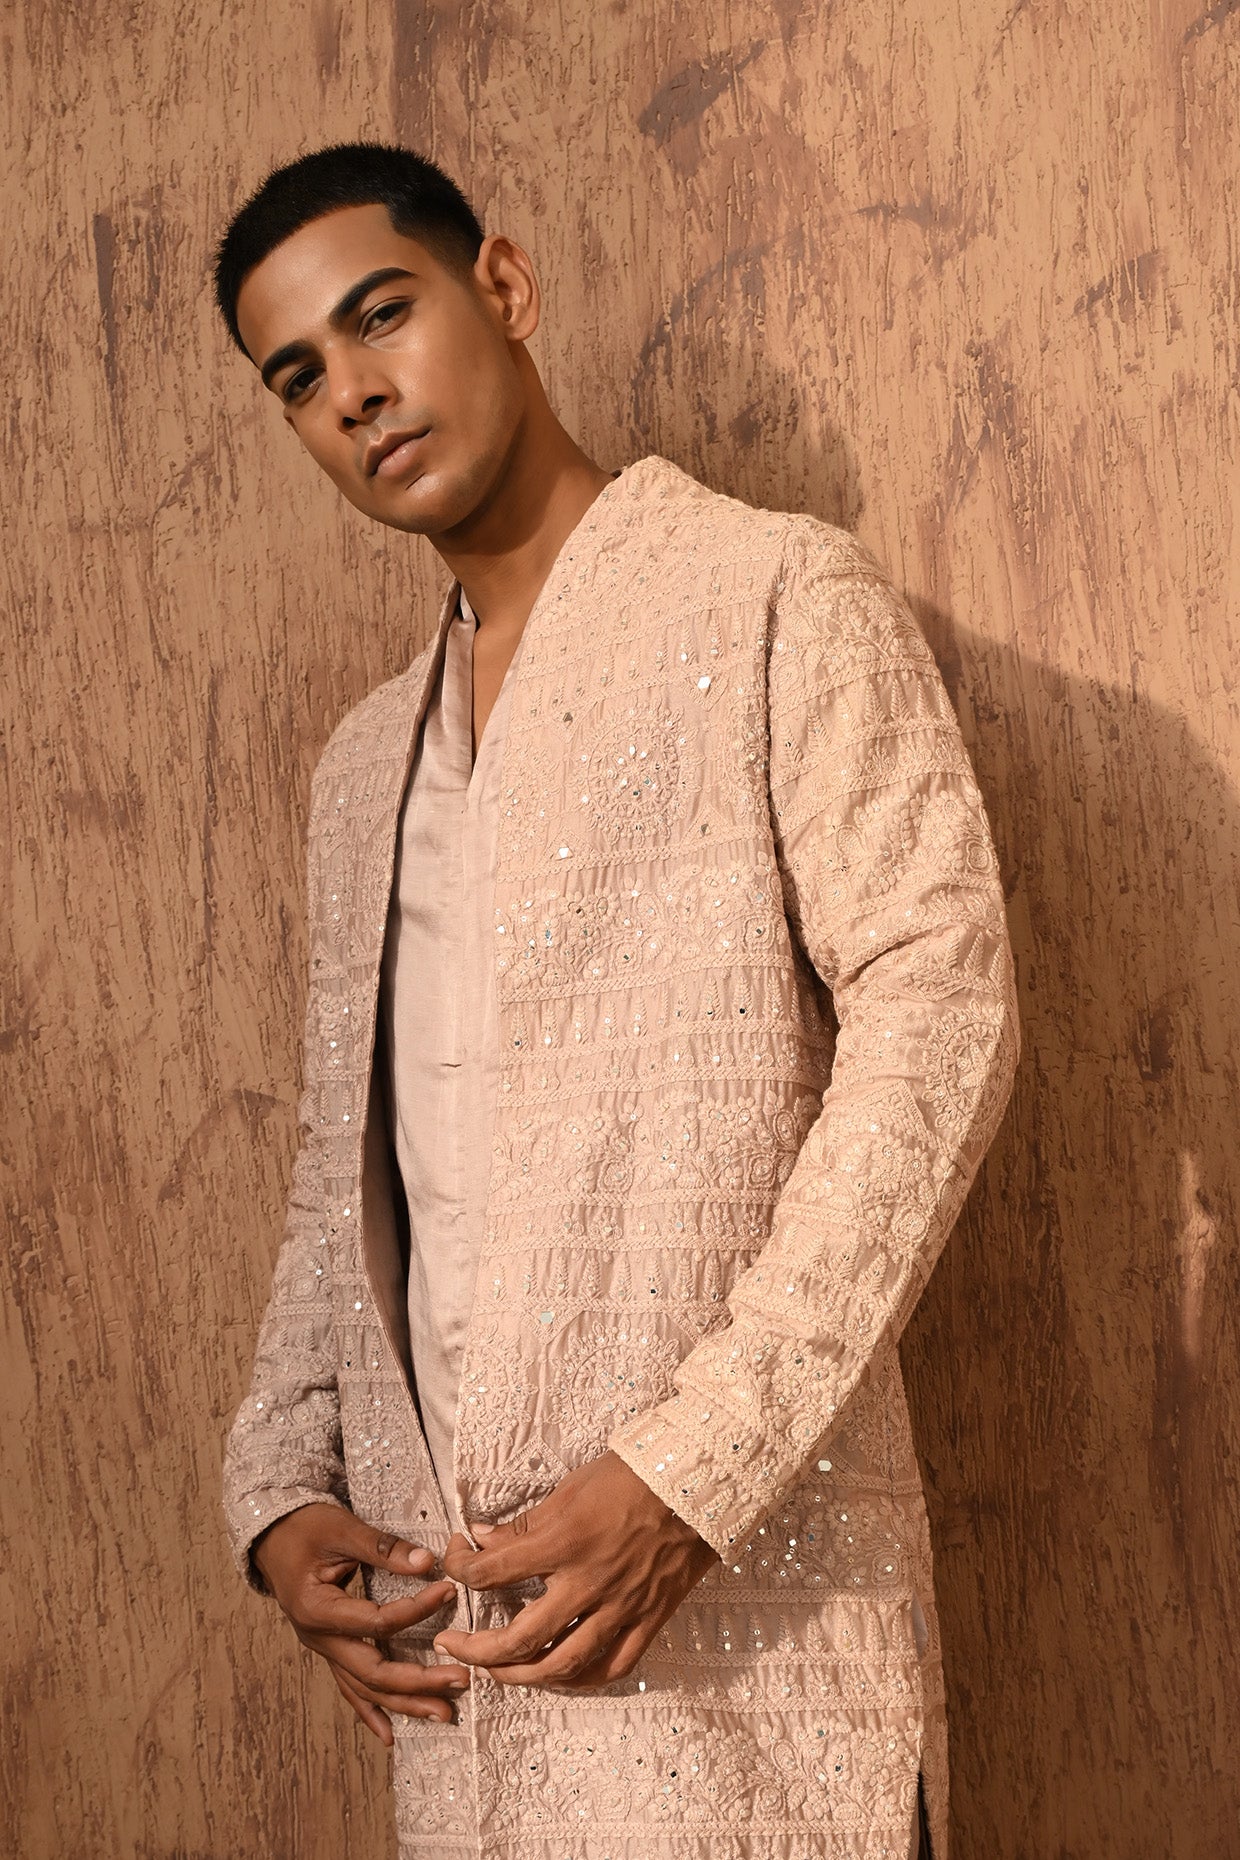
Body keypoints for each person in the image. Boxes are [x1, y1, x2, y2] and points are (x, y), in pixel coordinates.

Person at [215, 141, 1018, 1860]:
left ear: (503, 287)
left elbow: (940, 1017)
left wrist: (695, 1470)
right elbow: (343, 1176)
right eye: (298, 375)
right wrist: (279, 1488)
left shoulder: (778, 595)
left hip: (754, 1643)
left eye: (381, 315)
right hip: (459, 1672)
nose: (353, 392)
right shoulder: (363, 768)